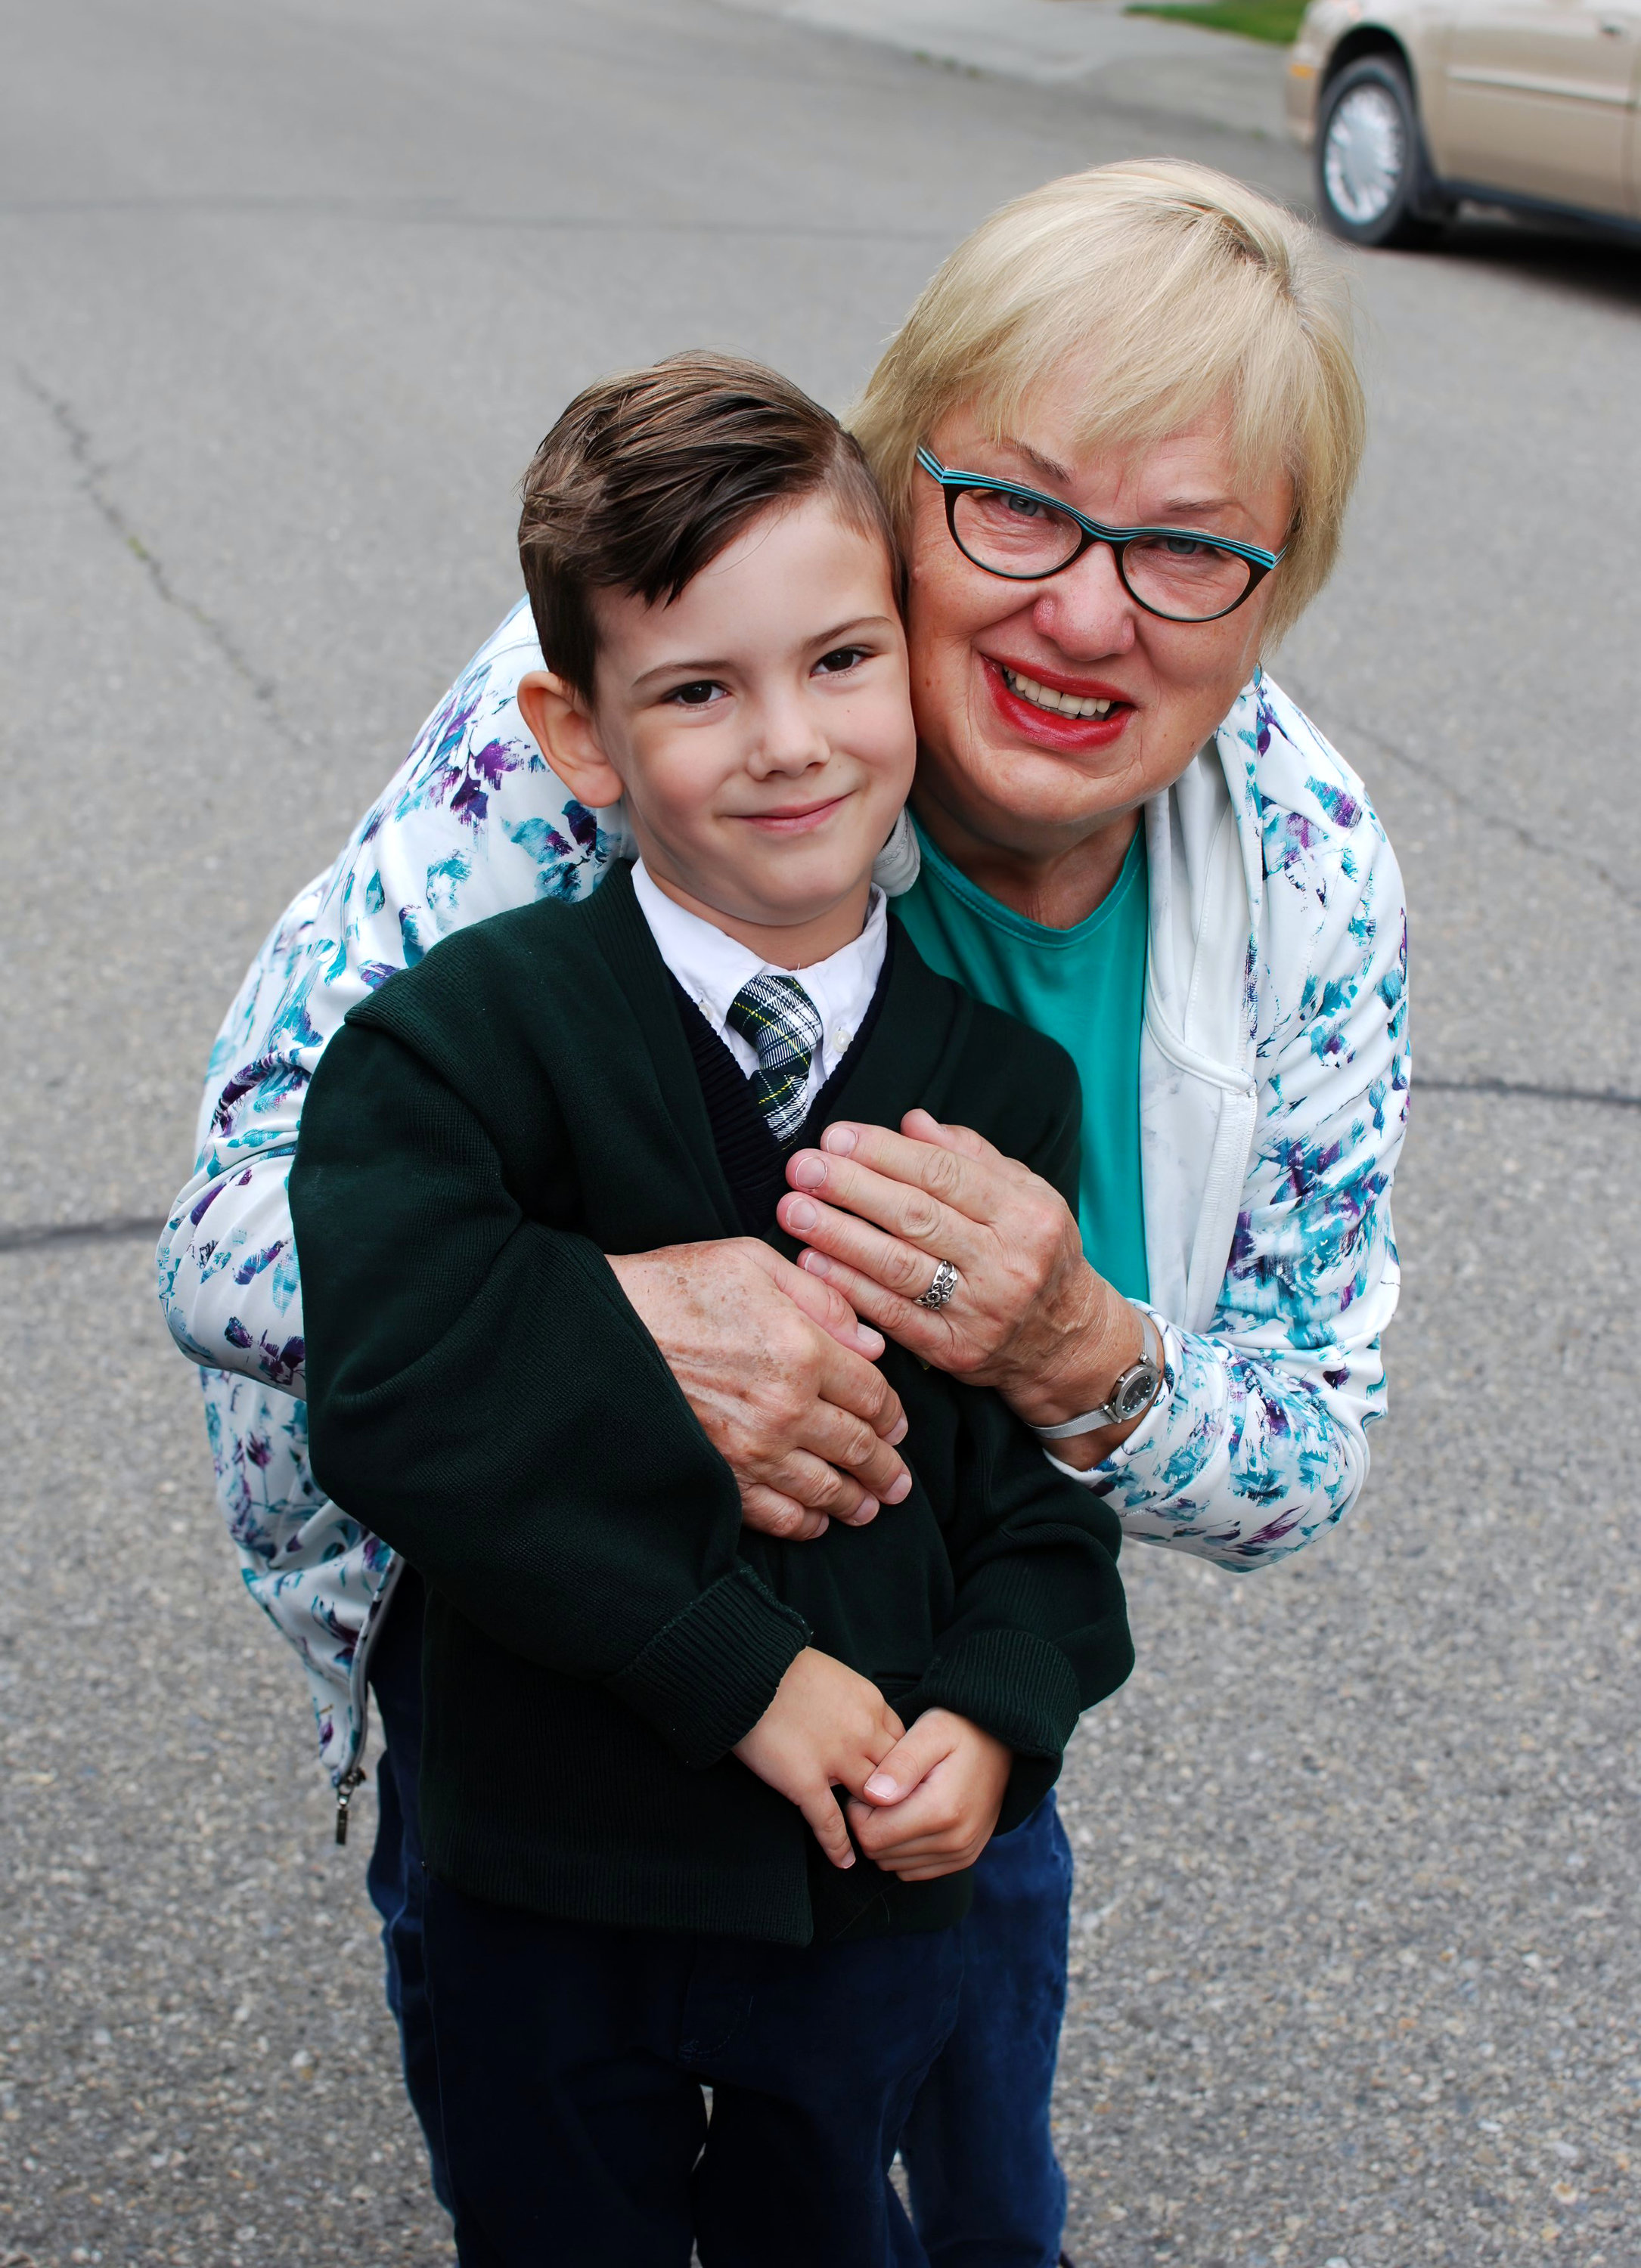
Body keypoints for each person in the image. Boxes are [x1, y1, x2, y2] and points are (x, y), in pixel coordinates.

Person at [157, 159, 1408, 2268]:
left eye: (1195, 549)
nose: (1092, 611)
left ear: (1279, 591)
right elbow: (237, 1245)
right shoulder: (649, 687)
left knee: (943, 2182)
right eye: (1018, 507)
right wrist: (612, 1331)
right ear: (899, 472)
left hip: (928, 1710)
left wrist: (1075, 1353)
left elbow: (1289, 1466)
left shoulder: (1303, 872)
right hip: (535, 1696)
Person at [290, 355, 1133, 2267]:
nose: (789, 742)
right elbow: (400, 1398)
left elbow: (1035, 1493)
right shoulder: (459, 1042)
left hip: (858, 1909)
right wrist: (734, 1672)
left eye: (840, 661)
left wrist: (996, 1722)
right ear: (576, 736)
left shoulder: (998, 1090)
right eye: (695, 689)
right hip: (541, 1889)